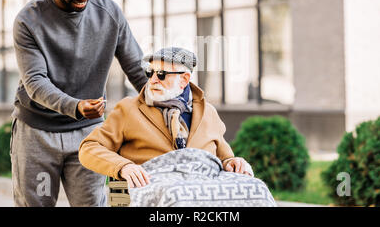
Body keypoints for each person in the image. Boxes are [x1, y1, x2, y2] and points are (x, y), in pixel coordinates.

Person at [11, 0, 148, 207]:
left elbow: (136, 68)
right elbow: (35, 82)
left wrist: (166, 101)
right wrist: (75, 106)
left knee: (91, 205)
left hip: (89, 134)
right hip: (38, 133)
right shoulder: (29, 21)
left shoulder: (109, 13)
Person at [79, 47, 251, 189]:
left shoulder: (208, 112)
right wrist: (123, 166)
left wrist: (233, 162)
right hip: (153, 193)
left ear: (184, 80)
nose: (153, 80)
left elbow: (224, 157)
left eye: (161, 74)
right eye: (150, 72)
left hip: (202, 195)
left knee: (257, 191)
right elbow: (89, 148)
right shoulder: (128, 109)